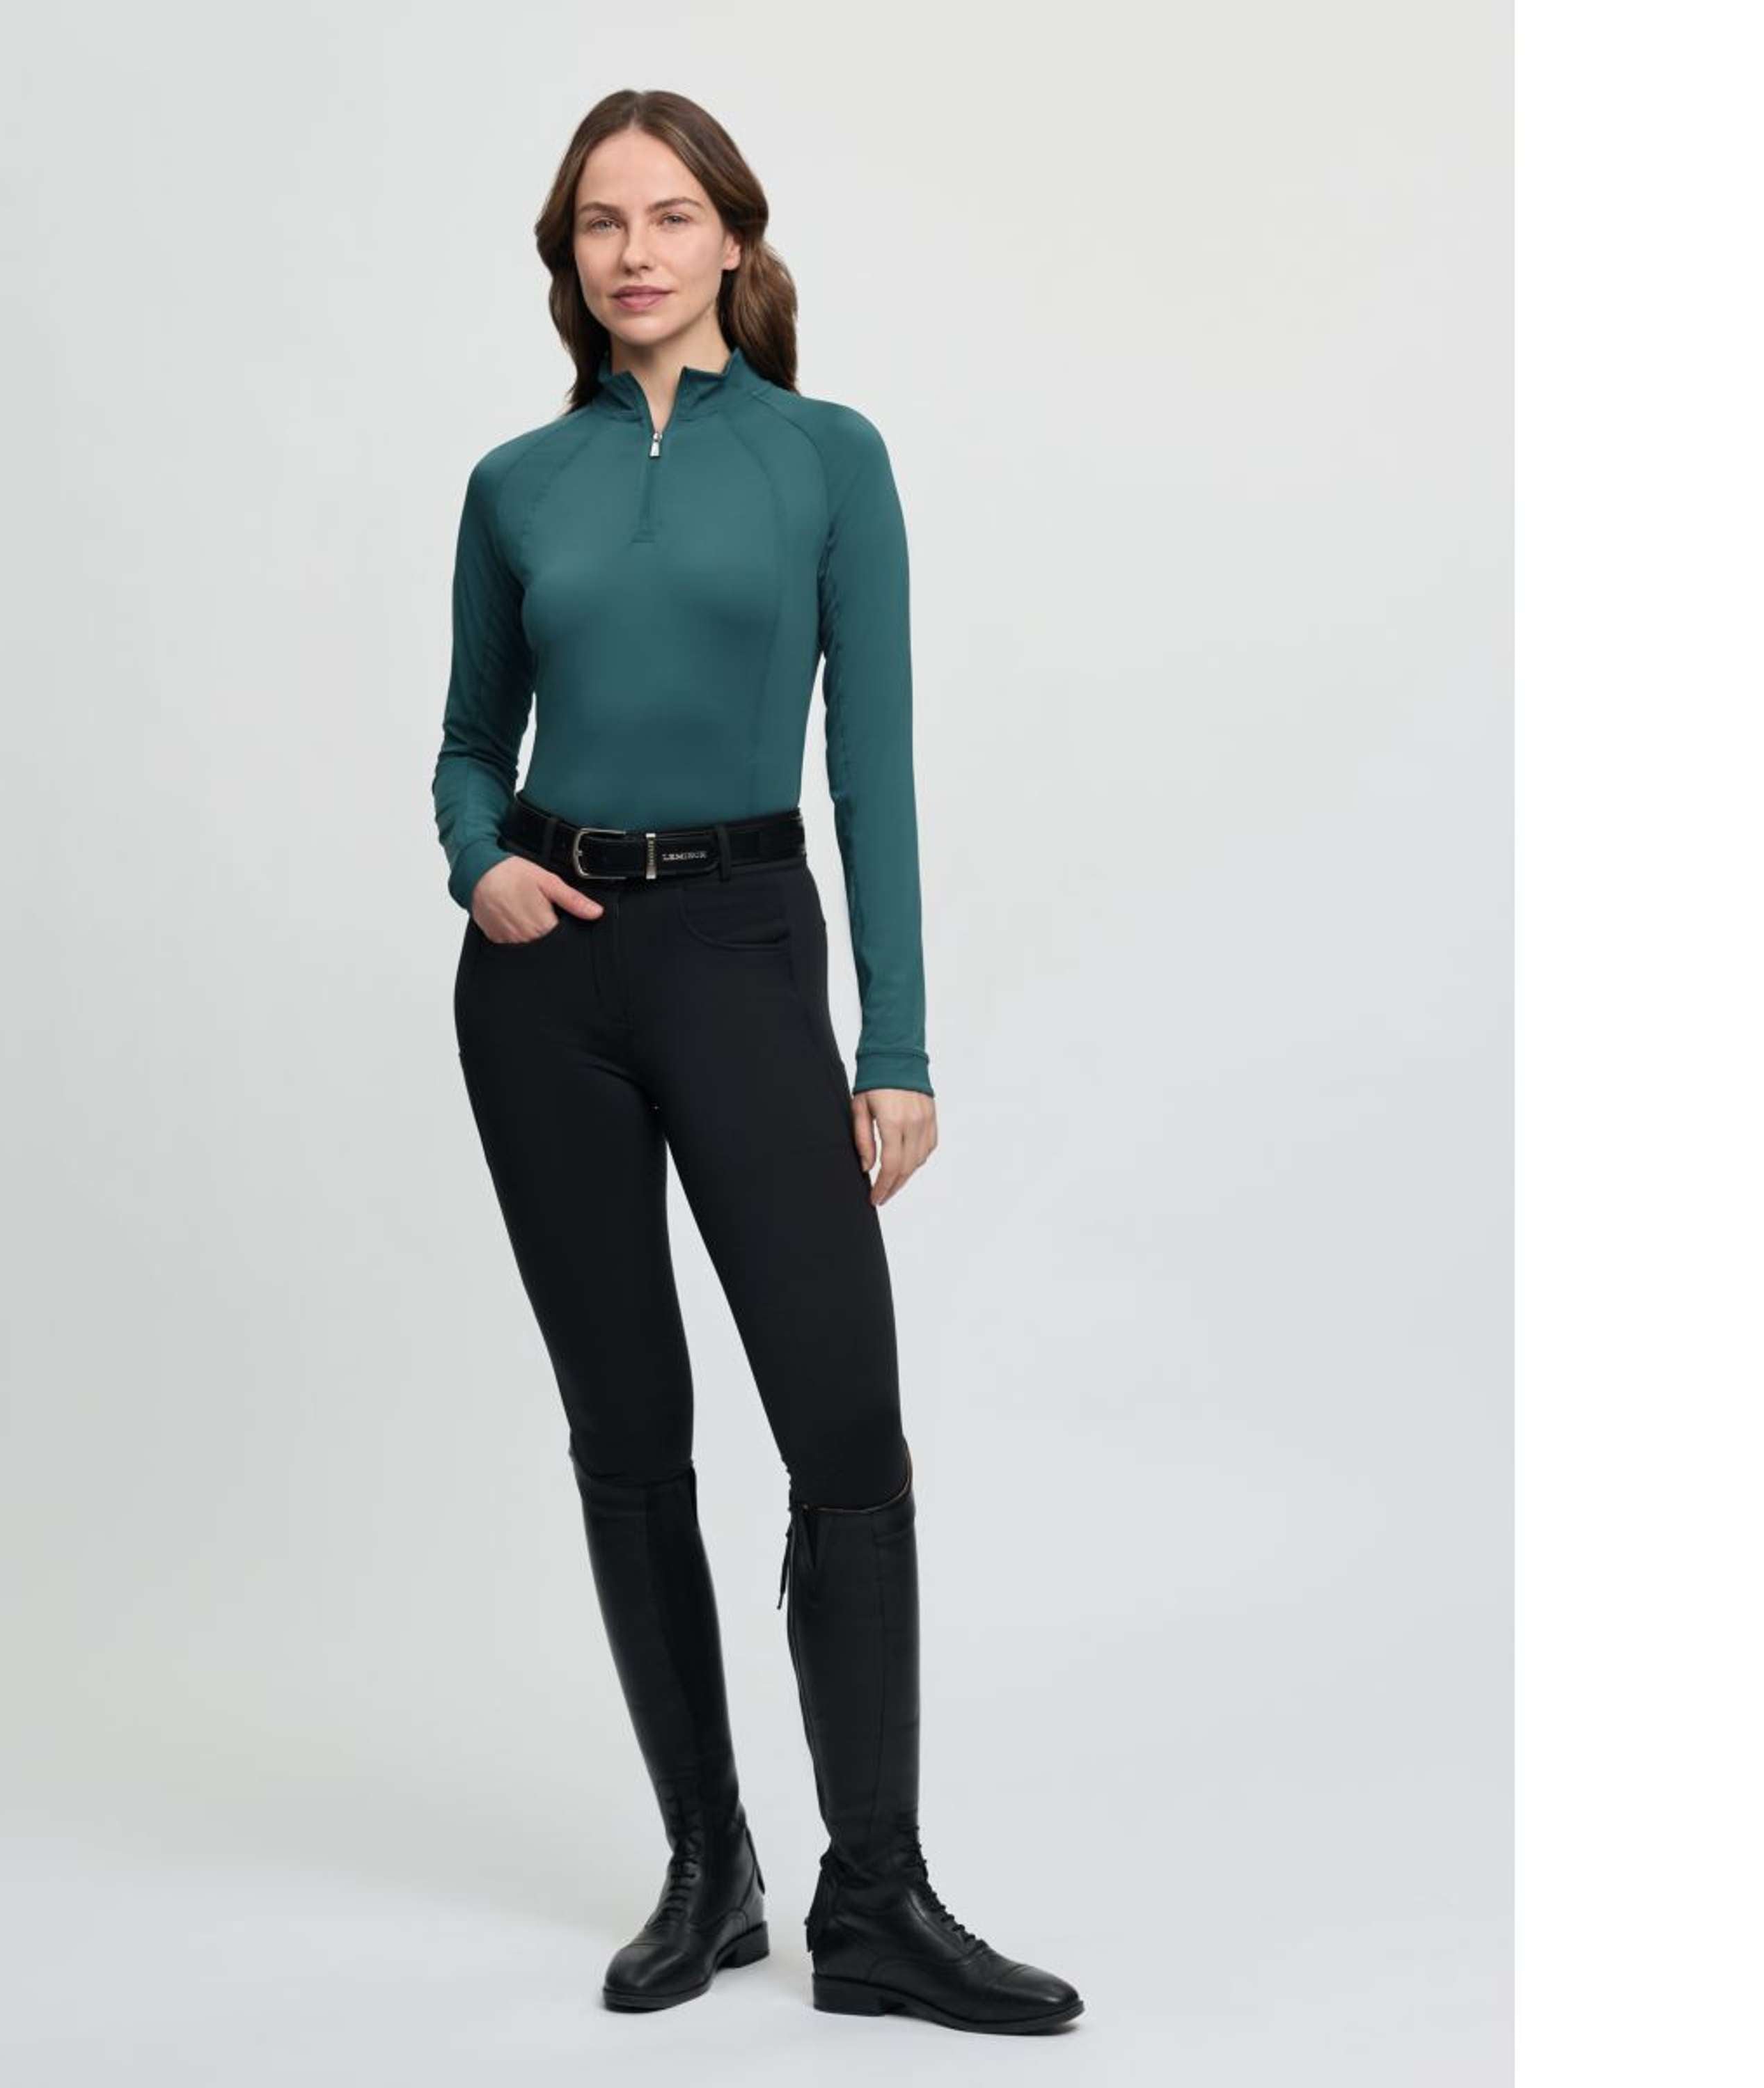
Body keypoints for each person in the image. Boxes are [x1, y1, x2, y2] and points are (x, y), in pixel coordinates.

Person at [430, 88, 1083, 2036]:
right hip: (544, 980)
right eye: (598, 223)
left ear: (733, 236)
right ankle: (706, 1867)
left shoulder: (824, 459)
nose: (632, 251)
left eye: (667, 215)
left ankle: (873, 1899)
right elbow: (469, 739)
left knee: (844, 1432)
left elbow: (873, 766)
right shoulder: (515, 484)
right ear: (567, 258)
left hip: (741, 948)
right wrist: (479, 863)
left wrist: (897, 1037)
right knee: (628, 1433)